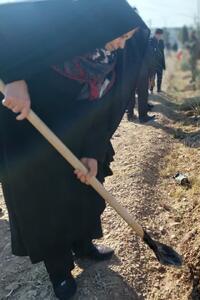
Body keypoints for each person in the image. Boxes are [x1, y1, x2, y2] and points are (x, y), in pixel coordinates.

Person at [0, 1, 145, 299]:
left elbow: (106, 106)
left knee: (88, 188)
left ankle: (83, 244)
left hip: (83, 134)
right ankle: (59, 270)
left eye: (128, 38)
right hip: (34, 134)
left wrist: (93, 150)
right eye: (120, 35)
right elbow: (6, 27)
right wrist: (14, 78)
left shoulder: (111, 58)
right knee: (47, 201)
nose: (120, 44)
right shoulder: (54, 29)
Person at [126, 28, 156, 123]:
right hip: (142, 73)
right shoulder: (147, 45)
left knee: (130, 94)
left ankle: (130, 115)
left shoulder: (128, 43)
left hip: (130, 72)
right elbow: (151, 61)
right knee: (142, 94)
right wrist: (151, 76)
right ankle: (143, 117)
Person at [149, 28, 166, 94]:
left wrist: (163, 64)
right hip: (153, 62)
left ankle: (159, 89)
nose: (159, 36)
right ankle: (151, 89)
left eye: (161, 35)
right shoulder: (151, 41)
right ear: (155, 34)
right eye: (158, 35)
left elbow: (162, 53)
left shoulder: (161, 42)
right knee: (152, 76)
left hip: (160, 62)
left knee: (160, 76)